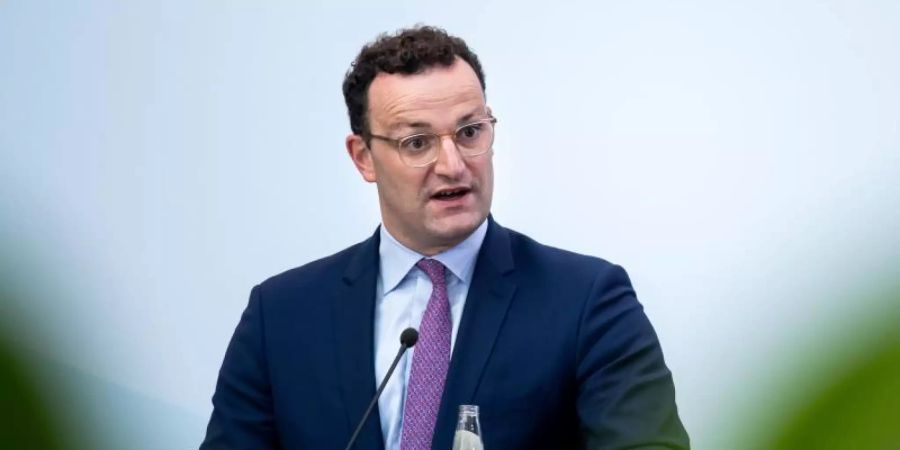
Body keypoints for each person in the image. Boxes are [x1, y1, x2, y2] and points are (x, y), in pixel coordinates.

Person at [201, 25, 689, 450]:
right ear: (363, 157)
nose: (453, 164)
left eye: (470, 132)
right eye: (417, 142)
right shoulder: (281, 316)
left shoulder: (587, 301)